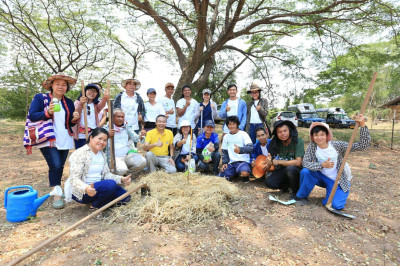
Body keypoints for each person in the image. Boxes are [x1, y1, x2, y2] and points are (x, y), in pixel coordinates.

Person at [24, 72, 80, 209]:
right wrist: (47, 113)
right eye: (57, 84)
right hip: (48, 137)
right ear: (51, 86)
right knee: (55, 165)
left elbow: (70, 123)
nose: (61, 87)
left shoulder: (68, 102)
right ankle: (56, 194)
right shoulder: (40, 98)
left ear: (67, 87)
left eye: (64, 85)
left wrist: (75, 119)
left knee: (60, 165)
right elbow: (33, 115)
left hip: (65, 137)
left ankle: (56, 188)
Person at [295, 116, 371, 209]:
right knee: (305, 172)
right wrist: (321, 165)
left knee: (335, 205)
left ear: (327, 136)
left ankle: (341, 189)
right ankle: (301, 196)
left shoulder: (337, 146)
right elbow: (305, 163)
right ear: (313, 137)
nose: (319, 137)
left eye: (322, 134)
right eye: (316, 135)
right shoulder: (313, 146)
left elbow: (362, 146)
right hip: (321, 177)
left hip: (336, 180)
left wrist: (363, 126)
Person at [64, 127, 132, 209]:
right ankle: (96, 205)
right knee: (111, 184)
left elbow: (106, 174)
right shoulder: (80, 154)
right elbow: (74, 180)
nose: (102, 142)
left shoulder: (102, 154)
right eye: (99, 139)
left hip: (99, 188)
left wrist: (121, 179)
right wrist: (86, 188)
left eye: (105, 140)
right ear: (91, 137)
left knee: (126, 197)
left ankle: (101, 203)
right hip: (84, 192)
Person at [262, 120, 304, 195]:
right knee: (269, 182)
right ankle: (287, 186)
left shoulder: (298, 141)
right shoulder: (276, 143)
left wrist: (278, 162)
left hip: (297, 170)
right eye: (279, 132)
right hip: (283, 169)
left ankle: (296, 191)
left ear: (290, 130)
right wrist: (269, 163)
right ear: (277, 134)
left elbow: (298, 162)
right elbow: (271, 164)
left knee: (290, 169)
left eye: (285, 131)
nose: (283, 134)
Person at [104, 108, 147, 177]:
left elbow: (136, 138)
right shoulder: (106, 128)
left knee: (142, 162)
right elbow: (100, 143)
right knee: (122, 169)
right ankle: (117, 178)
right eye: (118, 116)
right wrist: (107, 135)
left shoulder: (127, 127)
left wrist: (141, 136)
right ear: (112, 117)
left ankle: (127, 176)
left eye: (122, 117)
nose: (120, 119)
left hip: (127, 155)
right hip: (114, 158)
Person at [73, 83, 109, 149]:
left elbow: (102, 106)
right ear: (85, 91)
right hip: (81, 135)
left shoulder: (95, 104)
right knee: (81, 154)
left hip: (93, 134)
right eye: (90, 90)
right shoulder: (77, 102)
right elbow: (76, 114)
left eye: (95, 91)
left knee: (92, 154)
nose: (92, 93)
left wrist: (105, 98)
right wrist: (81, 103)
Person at [219, 116, 253, 183]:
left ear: (237, 124)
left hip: (243, 161)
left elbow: (250, 147)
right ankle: (235, 173)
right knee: (221, 177)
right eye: (229, 124)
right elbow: (224, 151)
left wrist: (240, 150)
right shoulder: (226, 137)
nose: (231, 126)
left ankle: (245, 176)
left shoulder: (243, 134)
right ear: (227, 125)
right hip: (232, 162)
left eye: (233, 124)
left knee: (244, 173)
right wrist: (225, 163)